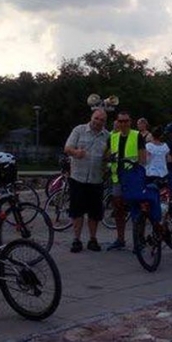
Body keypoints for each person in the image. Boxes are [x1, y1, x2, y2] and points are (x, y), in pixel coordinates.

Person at [63, 108, 109, 253]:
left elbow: (109, 155)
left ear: (105, 122)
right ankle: (76, 240)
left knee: (94, 212)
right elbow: (67, 148)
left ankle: (92, 239)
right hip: (78, 178)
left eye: (102, 120)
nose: (98, 122)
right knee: (77, 211)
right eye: (96, 118)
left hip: (96, 179)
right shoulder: (79, 130)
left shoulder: (107, 136)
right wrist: (76, 152)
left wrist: (107, 162)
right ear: (91, 117)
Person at [107, 111, 147, 250]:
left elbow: (142, 158)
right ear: (117, 122)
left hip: (132, 178)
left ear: (130, 122)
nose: (123, 124)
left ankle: (139, 240)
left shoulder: (137, 136)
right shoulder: (113, 137)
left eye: (126, 121)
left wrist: (137, 170)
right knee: (118, 209)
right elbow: (107, 154)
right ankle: (120, 239)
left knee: (137, 209)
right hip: (117, 177)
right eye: (121, 121)